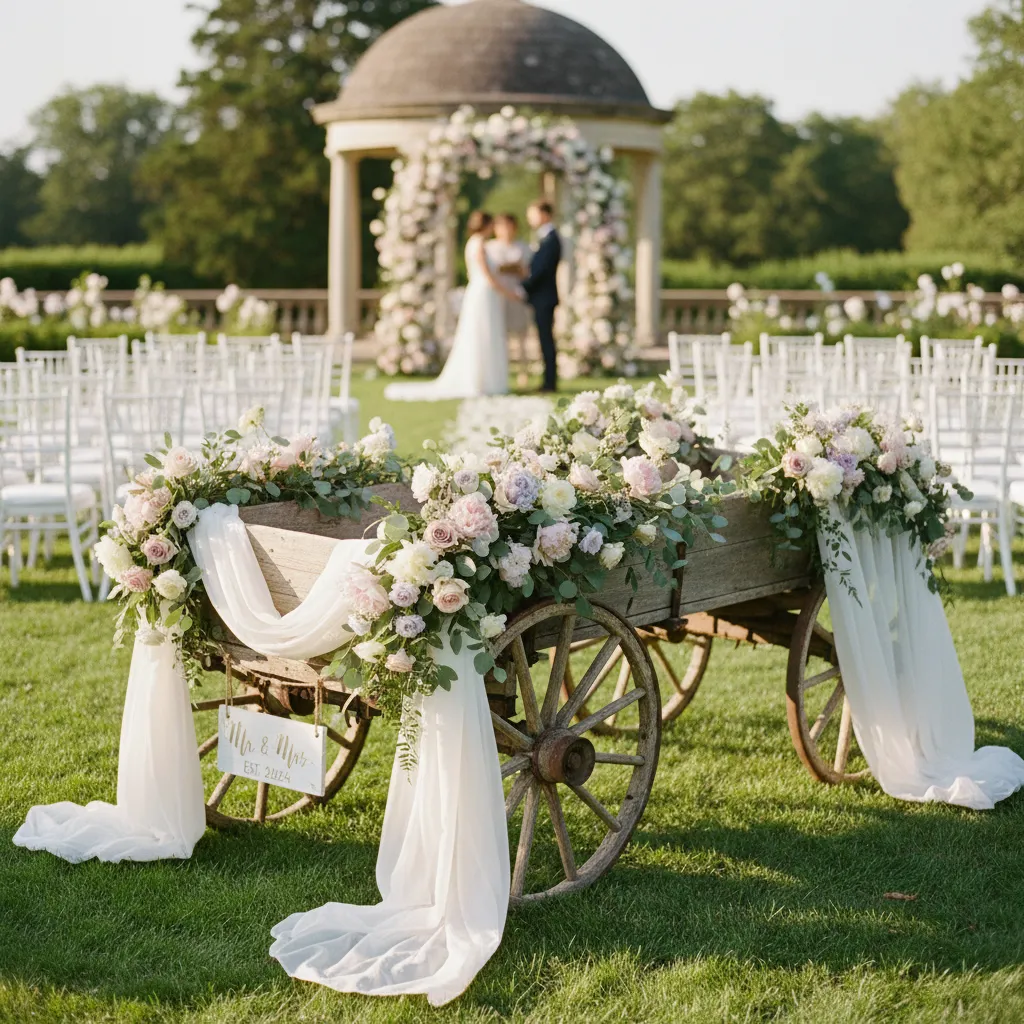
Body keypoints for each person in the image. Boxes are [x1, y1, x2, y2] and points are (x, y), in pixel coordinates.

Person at [384, 211, 518, 402]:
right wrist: (507, 292)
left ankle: (487, 380)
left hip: (481, 293)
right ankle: (481, 380)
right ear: (487, 225)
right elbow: (488, 275)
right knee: (482, 334)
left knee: (483, 334)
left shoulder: (474, 242)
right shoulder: (479, 243)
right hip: (483, 293)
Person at [487, 213, 534, 388]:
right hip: (498, 296)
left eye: (509, 226)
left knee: (521, 334)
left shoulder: (523, 247)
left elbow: (527, 271)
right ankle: (501, 372)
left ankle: (524, 372)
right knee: (500, 335)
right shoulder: (490, 247)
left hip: (517, 294)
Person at [520, 200, 562, 393]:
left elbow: (542, 271)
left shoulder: (552, 239)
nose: (530, 219)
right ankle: (547, 381)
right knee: (543, 339)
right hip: (540, 297)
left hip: (545, 298)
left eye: (533, 214)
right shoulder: (544, 238)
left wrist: (524, 286)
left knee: (546, 339)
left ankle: (550, 382)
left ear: (544, 214)